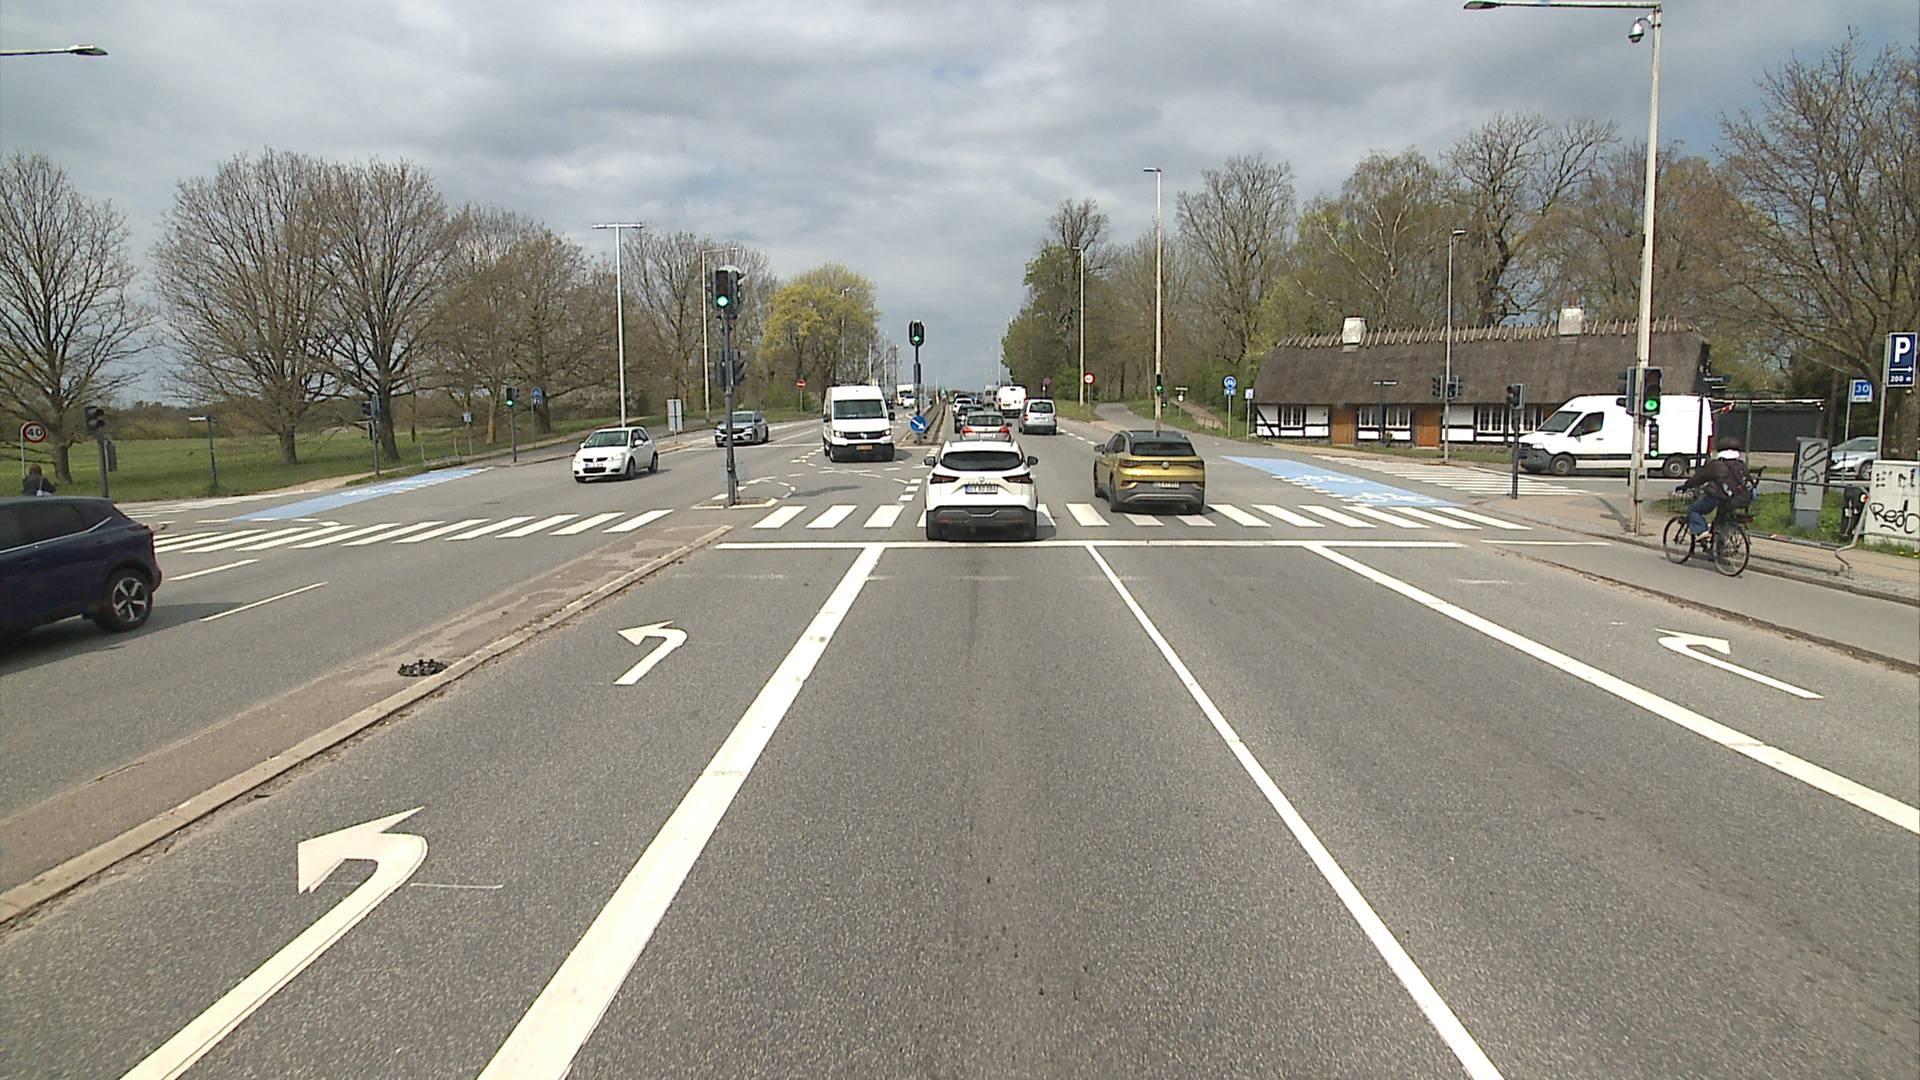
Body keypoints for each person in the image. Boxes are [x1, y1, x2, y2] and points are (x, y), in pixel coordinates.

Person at [1680, 436, 1751, 539]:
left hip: (1720, 497)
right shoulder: (1741, 465)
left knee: (1694, 510)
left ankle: (1701, 531)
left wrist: (1686, 485)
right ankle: (1719, 542)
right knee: (1720, 520)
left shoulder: (1717, 465)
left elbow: (1699, 478)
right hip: (1738, 499)